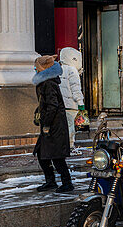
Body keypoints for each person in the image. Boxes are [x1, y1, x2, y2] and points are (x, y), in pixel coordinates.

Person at [32, 56, 73, 192]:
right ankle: (51, 181)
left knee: (56, 156)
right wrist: (39, 113)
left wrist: (47, 125)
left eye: (36, 66)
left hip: (55, 125)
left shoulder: (48, 83)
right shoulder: (46, 82)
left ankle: (66, 183)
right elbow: (46, 104)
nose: (35, 68)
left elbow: (52, 105)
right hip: (52, 124)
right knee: (42, 153)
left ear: (43, 68)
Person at [58, 47, 85, 151]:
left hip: (61, 105)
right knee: (71, 127)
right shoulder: (72, 71)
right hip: (71, 105)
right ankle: (69, 146)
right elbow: (75, 89)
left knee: (63, 127)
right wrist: (80, 103)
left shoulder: (59, 69)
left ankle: (63, 146)